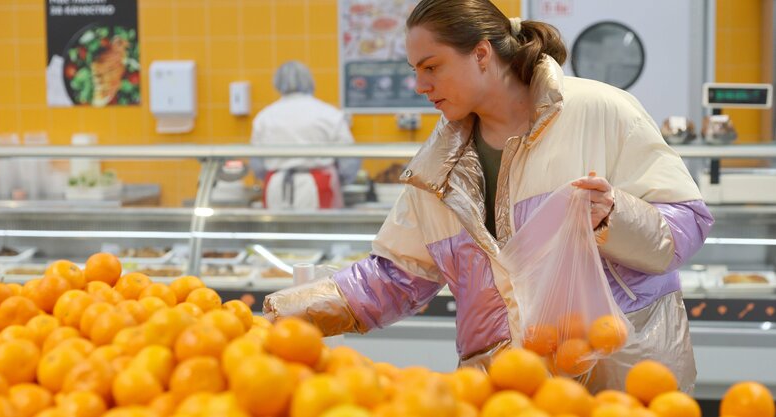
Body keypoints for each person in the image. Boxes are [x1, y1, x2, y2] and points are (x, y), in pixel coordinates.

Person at [264, 0, 713, 393]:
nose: (420, 85)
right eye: (415, 70)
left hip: (623, 379)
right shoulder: (439, 165)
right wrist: (277, 317)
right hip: (506, 391)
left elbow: (687, 222)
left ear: (481, 53)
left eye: (431, 66)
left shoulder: (600, 111)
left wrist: (616, 215)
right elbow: (395, 278)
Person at [250, 61, 360, 210]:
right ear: (309, 81)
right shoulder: (328, 113)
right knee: (316, 232)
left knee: (277, 232)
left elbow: (257, 164)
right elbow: (349, 161)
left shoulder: (264, 116)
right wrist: (342, 179)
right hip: (318, 184)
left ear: (277, 82)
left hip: (275, 186)